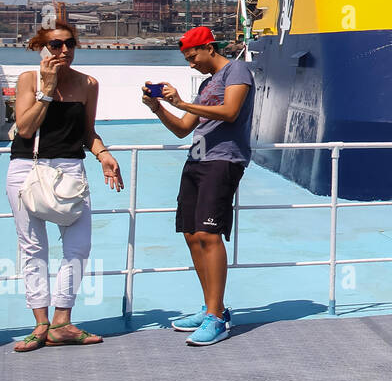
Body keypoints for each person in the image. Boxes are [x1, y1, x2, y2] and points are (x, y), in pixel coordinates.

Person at [6, 23, 123, 351]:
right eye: (56, 45)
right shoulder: (29, 80)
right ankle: (40, 323)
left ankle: (62, 322)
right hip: (27, 168)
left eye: (70, 43)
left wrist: (103, 154)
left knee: (79, 246)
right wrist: (48, 87)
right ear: (41, 48)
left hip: (70, 170)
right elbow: (25, 129)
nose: (64, 51)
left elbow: (88, 132)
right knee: (32, 248)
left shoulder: (88, 83)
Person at [142, 26, 254, 346]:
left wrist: (182, 102)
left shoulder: (238, 70)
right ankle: (211, 307)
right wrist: (160, 107)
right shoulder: (206, 84)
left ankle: (216, 319)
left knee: (208, 233)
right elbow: (182, 130)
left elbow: (231, 112)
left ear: (209, 47)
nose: (191, 64)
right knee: (191, 234)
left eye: (193, 56)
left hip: (224, 161)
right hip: (196, 160)